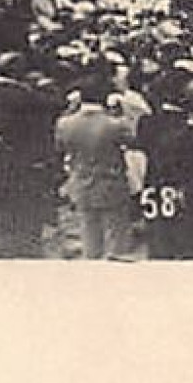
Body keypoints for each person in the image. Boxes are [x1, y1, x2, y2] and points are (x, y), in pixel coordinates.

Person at [55, 74, 135, 260]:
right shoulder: (115, 124)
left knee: (89, 239)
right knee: (117, 241)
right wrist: (120, 112)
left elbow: (60, 147)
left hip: (81, 184)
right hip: (111, 184)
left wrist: (69, 110)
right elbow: (132, 139)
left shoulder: (65, 123)